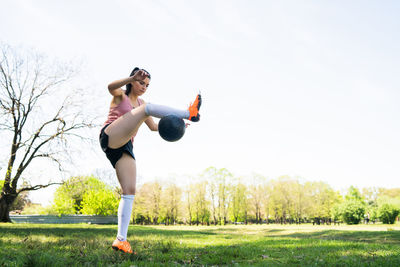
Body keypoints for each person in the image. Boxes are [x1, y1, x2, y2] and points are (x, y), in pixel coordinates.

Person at [99, 67, 201, 253]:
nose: (144, 87)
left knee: (129, 191)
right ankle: (189, 112)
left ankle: (121, 240)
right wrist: (130, 77)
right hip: (110, 134)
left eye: (147, 85)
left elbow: (154, 126)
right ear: (132, 81)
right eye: (140, 82)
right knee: (146, 109)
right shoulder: (120, 95)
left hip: (125, 146)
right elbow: (109, 86)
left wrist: (178, 125)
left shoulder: (141, 103)